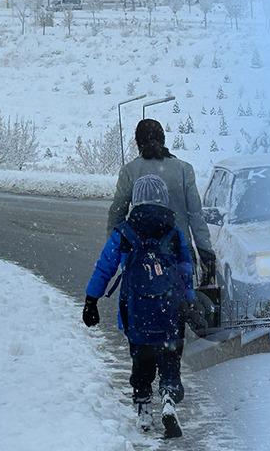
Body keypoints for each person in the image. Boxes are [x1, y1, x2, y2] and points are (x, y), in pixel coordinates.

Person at [84, 175, 201, 439]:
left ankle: (143, 407)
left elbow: (105, 267)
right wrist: (189, 300)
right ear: (163, 198)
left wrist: (92, 300)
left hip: (136, 309)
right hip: (169, 307)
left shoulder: (125, 231)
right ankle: (169, 398)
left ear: (135, 199)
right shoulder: (173, 231)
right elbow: (185, 270)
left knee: (142, 358)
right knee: (170, 356)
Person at [108, 119, 216, 287]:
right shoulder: (184, 170)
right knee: (182, 305)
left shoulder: (129, 171)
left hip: (141, 256)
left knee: (139, 305)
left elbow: (117, 213)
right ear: (163, 139)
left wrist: (115, 250)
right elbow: (196, 215)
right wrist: (206, 255)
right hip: (180, 254)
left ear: (138, 143)